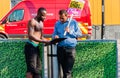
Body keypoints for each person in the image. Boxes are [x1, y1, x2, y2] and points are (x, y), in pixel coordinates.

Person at [52, 9, 82, 78]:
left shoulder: (73, 22)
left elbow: (79, 34)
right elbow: (54, 34)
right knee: (63, 71)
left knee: (68, 71)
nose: (61, 20)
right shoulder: (57, 24)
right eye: (60, 18)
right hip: (60, 49)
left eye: (62, 18)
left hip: (70, 49)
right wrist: (55, 36)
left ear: (67, 16)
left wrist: (70, 31)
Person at [24, 7, 50, 78]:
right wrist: (42, 41)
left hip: (36, 47)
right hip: (30, 47)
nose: (45, 17)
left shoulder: (41, 23)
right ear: (38, 14)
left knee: (38, 68)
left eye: (45, 15)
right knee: (31, 70)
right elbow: (30, 35)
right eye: (43, 15)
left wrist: (49, 41)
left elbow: (41, 37)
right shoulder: (32, 21)